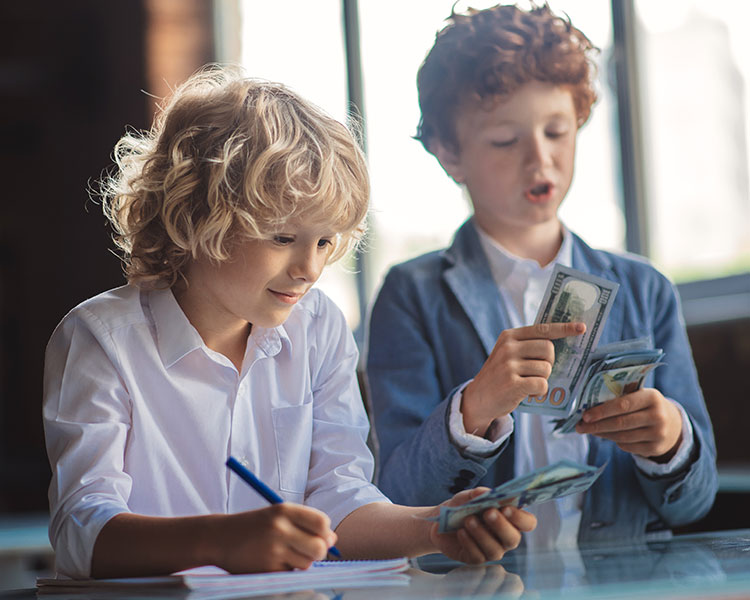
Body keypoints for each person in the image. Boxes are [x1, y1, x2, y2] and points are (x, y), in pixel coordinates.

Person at [42, 66, 537, 580]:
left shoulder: (318, 327)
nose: (310, 270)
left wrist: (434, 526)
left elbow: (339, 501)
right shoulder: (101, 339)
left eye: (325, 242)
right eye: (282, 238)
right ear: (195, 215)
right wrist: (222, 542)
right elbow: (83, 530)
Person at [366, 3, 717, 549]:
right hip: (484, 584)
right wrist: (474, 408)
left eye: (558, 131)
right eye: (506, 141)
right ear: (448, 152)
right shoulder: (413, 294)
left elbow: (697, 502)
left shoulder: (646, 289)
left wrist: (670, 441)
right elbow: (394, 494)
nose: (540, 160)